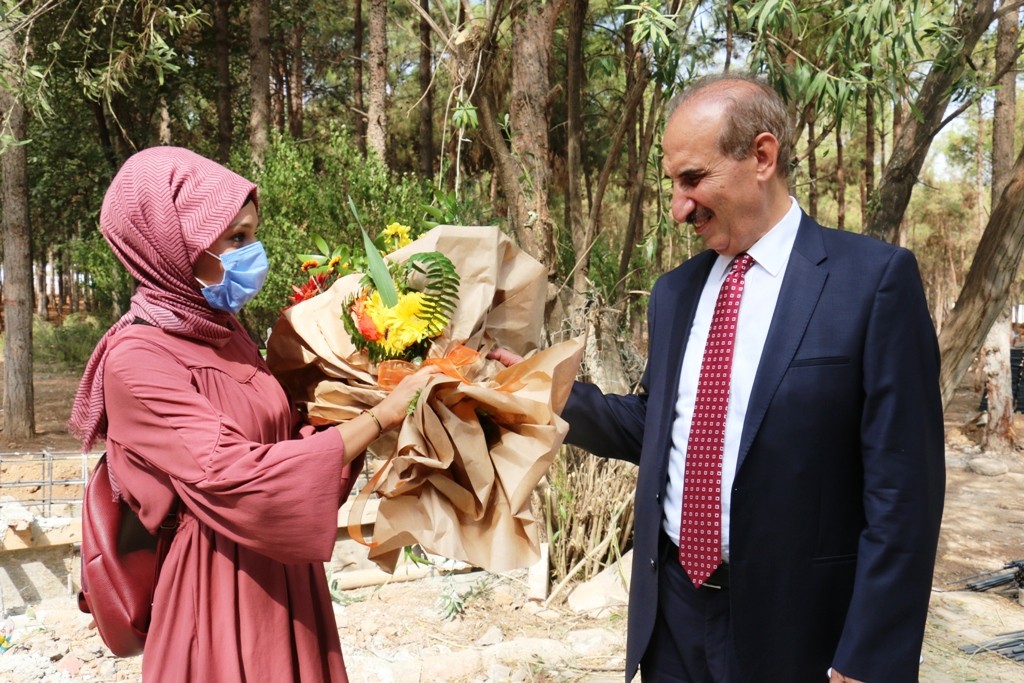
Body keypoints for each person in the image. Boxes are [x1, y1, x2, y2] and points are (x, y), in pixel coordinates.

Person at [539, 74, 944, 682]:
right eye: (673, 183)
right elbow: (660, 425)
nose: (678, 207)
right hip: (672, 615)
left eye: (693, 179)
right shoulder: (676, 293)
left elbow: (904, 491)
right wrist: (531, 387)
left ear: (761, 156)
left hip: (800, 629)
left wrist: (870, 656)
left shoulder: (873, 281)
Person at [69, 146, 436, 682]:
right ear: (171, 245)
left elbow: (282, 441)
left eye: (252, 234)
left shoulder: (225, 331)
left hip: (284, 573)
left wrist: (372, 390)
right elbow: (234, 473)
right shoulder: (138, 359)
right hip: (216, 592)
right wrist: (378, 420)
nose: (252, 252)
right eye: (235, 238)